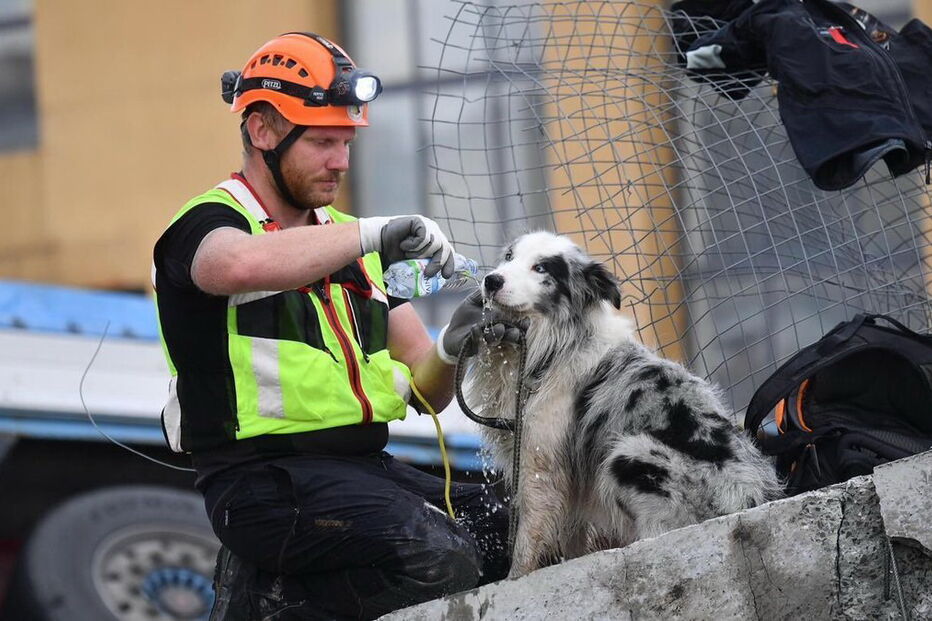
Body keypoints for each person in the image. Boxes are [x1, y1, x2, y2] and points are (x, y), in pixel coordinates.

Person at [152, 32, 511, 620]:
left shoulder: (352, 242)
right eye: (322, 141)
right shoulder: (210, 223)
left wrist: (456, 340)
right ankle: (266, 601)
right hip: (261, 485)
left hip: (365, 472)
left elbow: (429, 391)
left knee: (514, 528)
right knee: (438, 556)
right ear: (263, 130)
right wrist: (375, 231)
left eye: (346, 141)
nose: (341, 161)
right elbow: (233, 265)